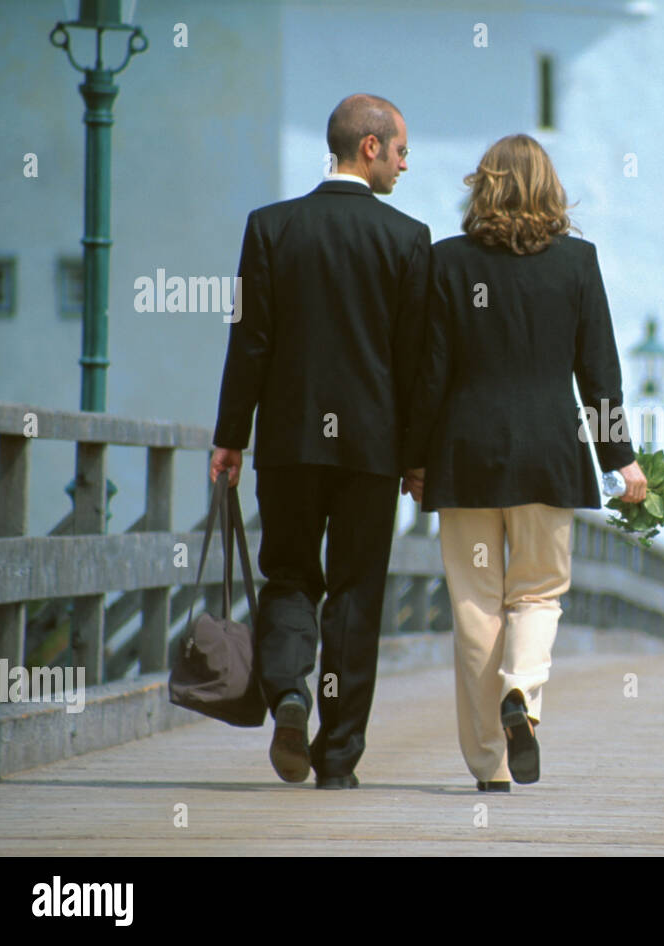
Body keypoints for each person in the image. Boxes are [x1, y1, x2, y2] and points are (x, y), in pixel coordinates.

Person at [402, 133, 647, 792]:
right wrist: (621, 460)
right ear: (550, 188)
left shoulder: (447, 262)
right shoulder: (577, 263)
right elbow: (600, 375)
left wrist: (414, 458)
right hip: (548, 450)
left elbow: (429, 374)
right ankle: (523, 698)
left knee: (476, 606)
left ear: (482, 186)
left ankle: (490, 763)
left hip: (465, 450)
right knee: (537, 592)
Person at [210, 93, 432, 790]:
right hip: (372, 453)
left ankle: (291, 696)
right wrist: (417, 456)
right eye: (399, 149)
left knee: (290, 577)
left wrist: (230, 437)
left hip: (288, 443)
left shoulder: (271, 227)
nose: (405, 162)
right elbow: (417, 361)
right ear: (368, 148)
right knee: (357, 594)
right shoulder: (407, 238)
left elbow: (250, 343)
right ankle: (338, 758)